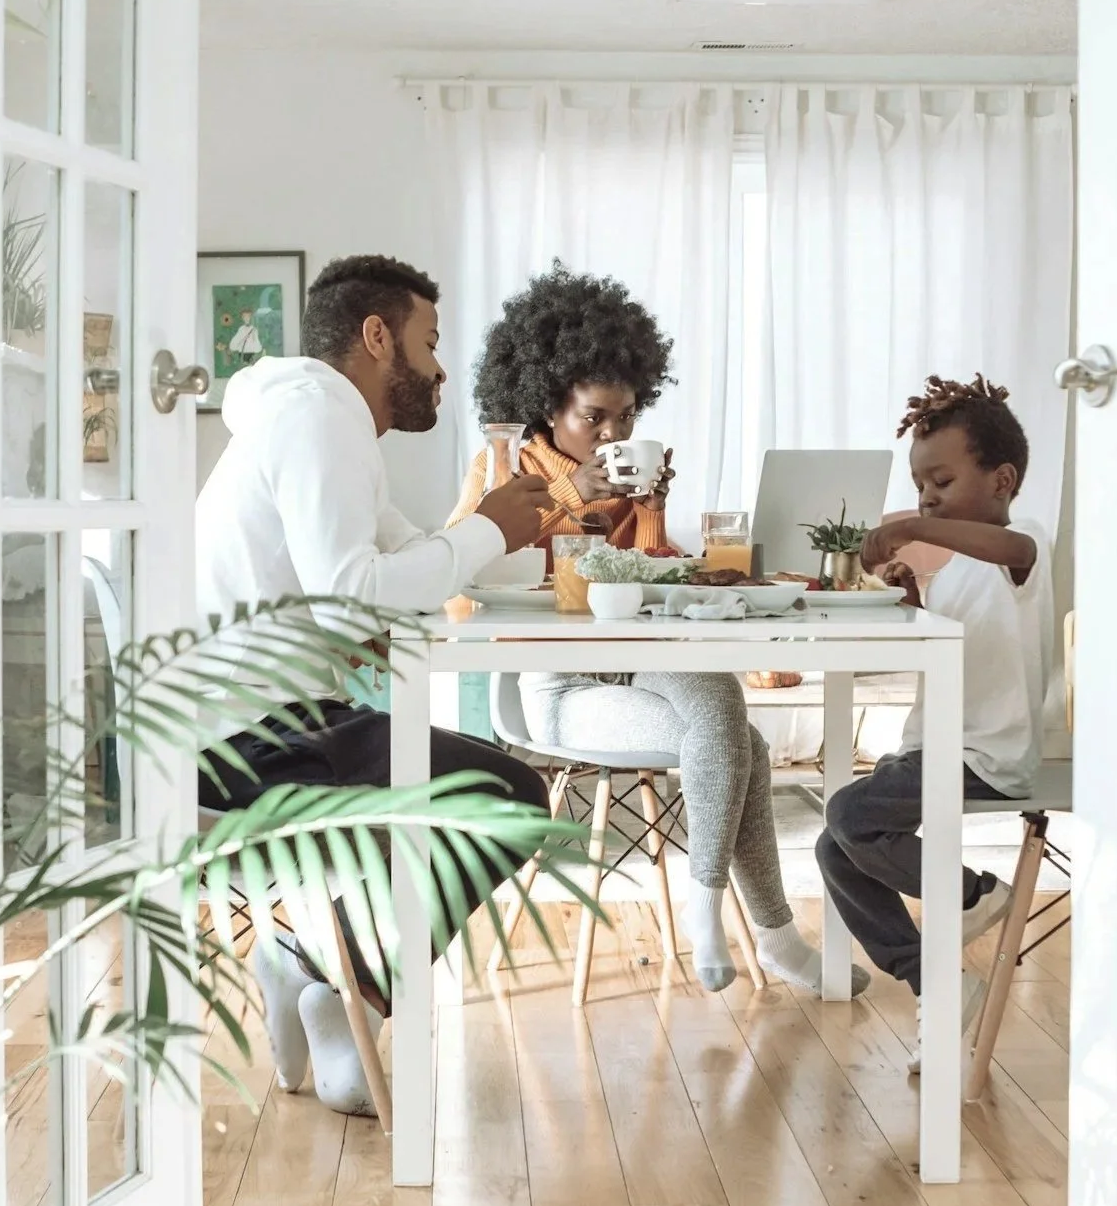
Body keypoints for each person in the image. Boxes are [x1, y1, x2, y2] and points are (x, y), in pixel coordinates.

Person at [197, 253, 556, 1116]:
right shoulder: (319, 419)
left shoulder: (316, 420)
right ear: (376, 336)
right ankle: (332, 984)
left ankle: (316, 969)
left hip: (267, 716)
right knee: (510, 796)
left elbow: (391, 560)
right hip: (236, 742)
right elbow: (356, 592)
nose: (438, 369)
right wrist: (484, 530)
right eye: (429, 343)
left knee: (488, 785)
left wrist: (478, 536)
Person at [448, 265, 842, 994]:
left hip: (637, 660)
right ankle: (766, 934)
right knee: (742, 742)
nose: (611, 434)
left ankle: (710, 911)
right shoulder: (502, 467)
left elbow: (641, 584)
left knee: (723, 703)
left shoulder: (630, 475)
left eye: (625, 417)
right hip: (557, 683)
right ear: (546, 402)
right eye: (592, 417)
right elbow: (460, 584)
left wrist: (653, 510)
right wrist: (569, 493)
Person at [812, 374, 1063, 1068]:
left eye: (942, 482)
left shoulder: (1024, 546)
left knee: (852, 817)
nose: (926, 499)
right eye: (921, 487)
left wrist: (916, 528)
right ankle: (937, 981)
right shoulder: (956, 572)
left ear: (1003, 480)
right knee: (835, 847)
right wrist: (912, 593)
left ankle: (976, 894)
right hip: (932, 747)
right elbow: (945, 644)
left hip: (985, 754)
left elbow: (1010, 556)